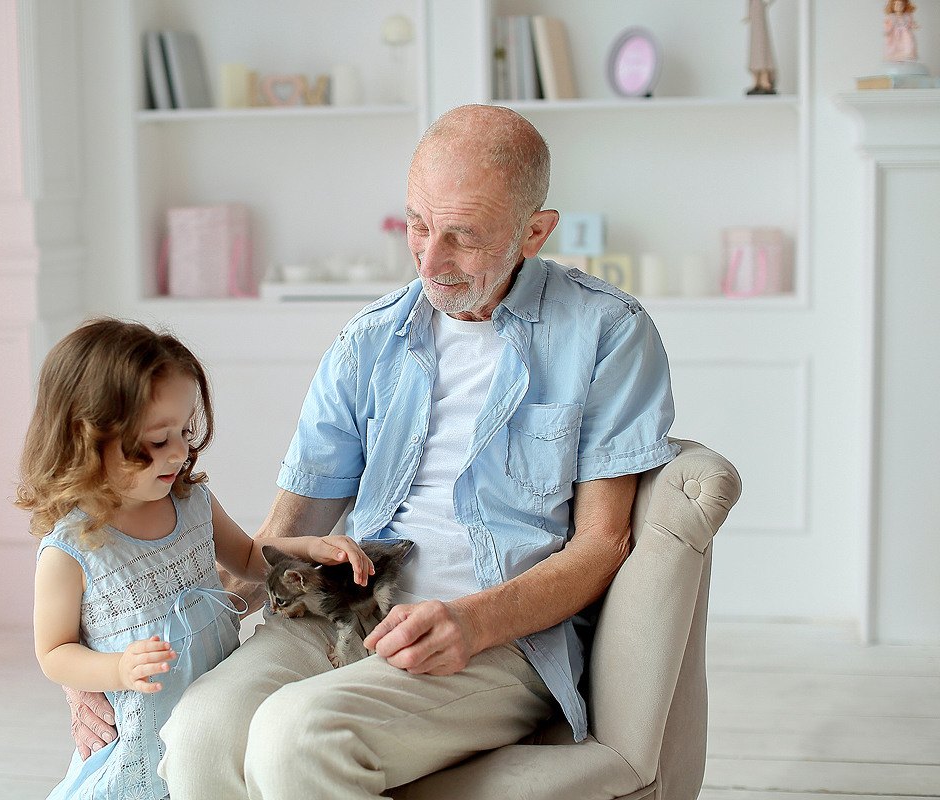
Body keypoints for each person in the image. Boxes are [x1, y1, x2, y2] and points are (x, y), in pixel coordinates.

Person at [70, 104, 679, 798]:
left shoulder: (606, 332)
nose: (429, 258)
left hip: (497, 640)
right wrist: (104, 660)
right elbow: (281, 538)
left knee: (297, 740)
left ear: (534, 232)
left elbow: (603, 544)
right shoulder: (370, 341)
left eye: (463, 236)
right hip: (343, 609)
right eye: (417, 225)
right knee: (200, 729)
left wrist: (472, 620)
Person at [16, 318, 374, 800]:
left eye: (184, 432)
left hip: (217, 700)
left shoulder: (191, 502)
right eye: (157, 441)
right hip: (143, 733)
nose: (180, 453)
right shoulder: (73, 551)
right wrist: (117, 669)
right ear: (87, 440)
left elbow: (249, 557)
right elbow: (54, 654)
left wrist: (311, 549)